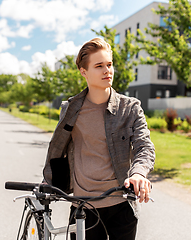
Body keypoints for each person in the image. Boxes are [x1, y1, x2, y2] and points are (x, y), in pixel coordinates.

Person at [43, 37, 155, 240]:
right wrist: (47, 182)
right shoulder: (70, 110)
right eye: (99, 66)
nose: (107, 71)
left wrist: (139, 173)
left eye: (109, 64)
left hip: (121, 204)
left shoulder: (130, 108)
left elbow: (144, 146)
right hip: (82, 208)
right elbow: (58, 149)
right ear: (83, 71)